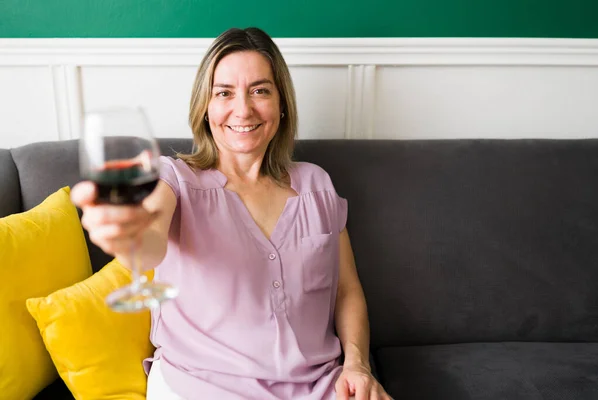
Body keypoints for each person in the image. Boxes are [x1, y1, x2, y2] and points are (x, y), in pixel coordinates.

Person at [71, 27, 392, 400]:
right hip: (203, 387)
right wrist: (127, 233)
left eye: (260, 90)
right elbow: (149, 238)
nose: (243, 109)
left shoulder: (316, 185)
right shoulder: (173, 179)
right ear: (205, 108)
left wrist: (356, 364)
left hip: (319, 386)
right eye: (224, 93)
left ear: (281, 103)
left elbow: (347, 291)